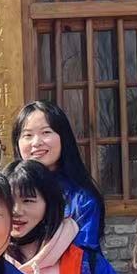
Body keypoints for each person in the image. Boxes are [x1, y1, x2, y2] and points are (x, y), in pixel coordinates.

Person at [11, 99, 104, 249]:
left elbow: (82, 256)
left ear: (63, 138)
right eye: (28, 135)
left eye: (46, 132)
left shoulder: (82, 200)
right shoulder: (7, 189)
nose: (36, 142)